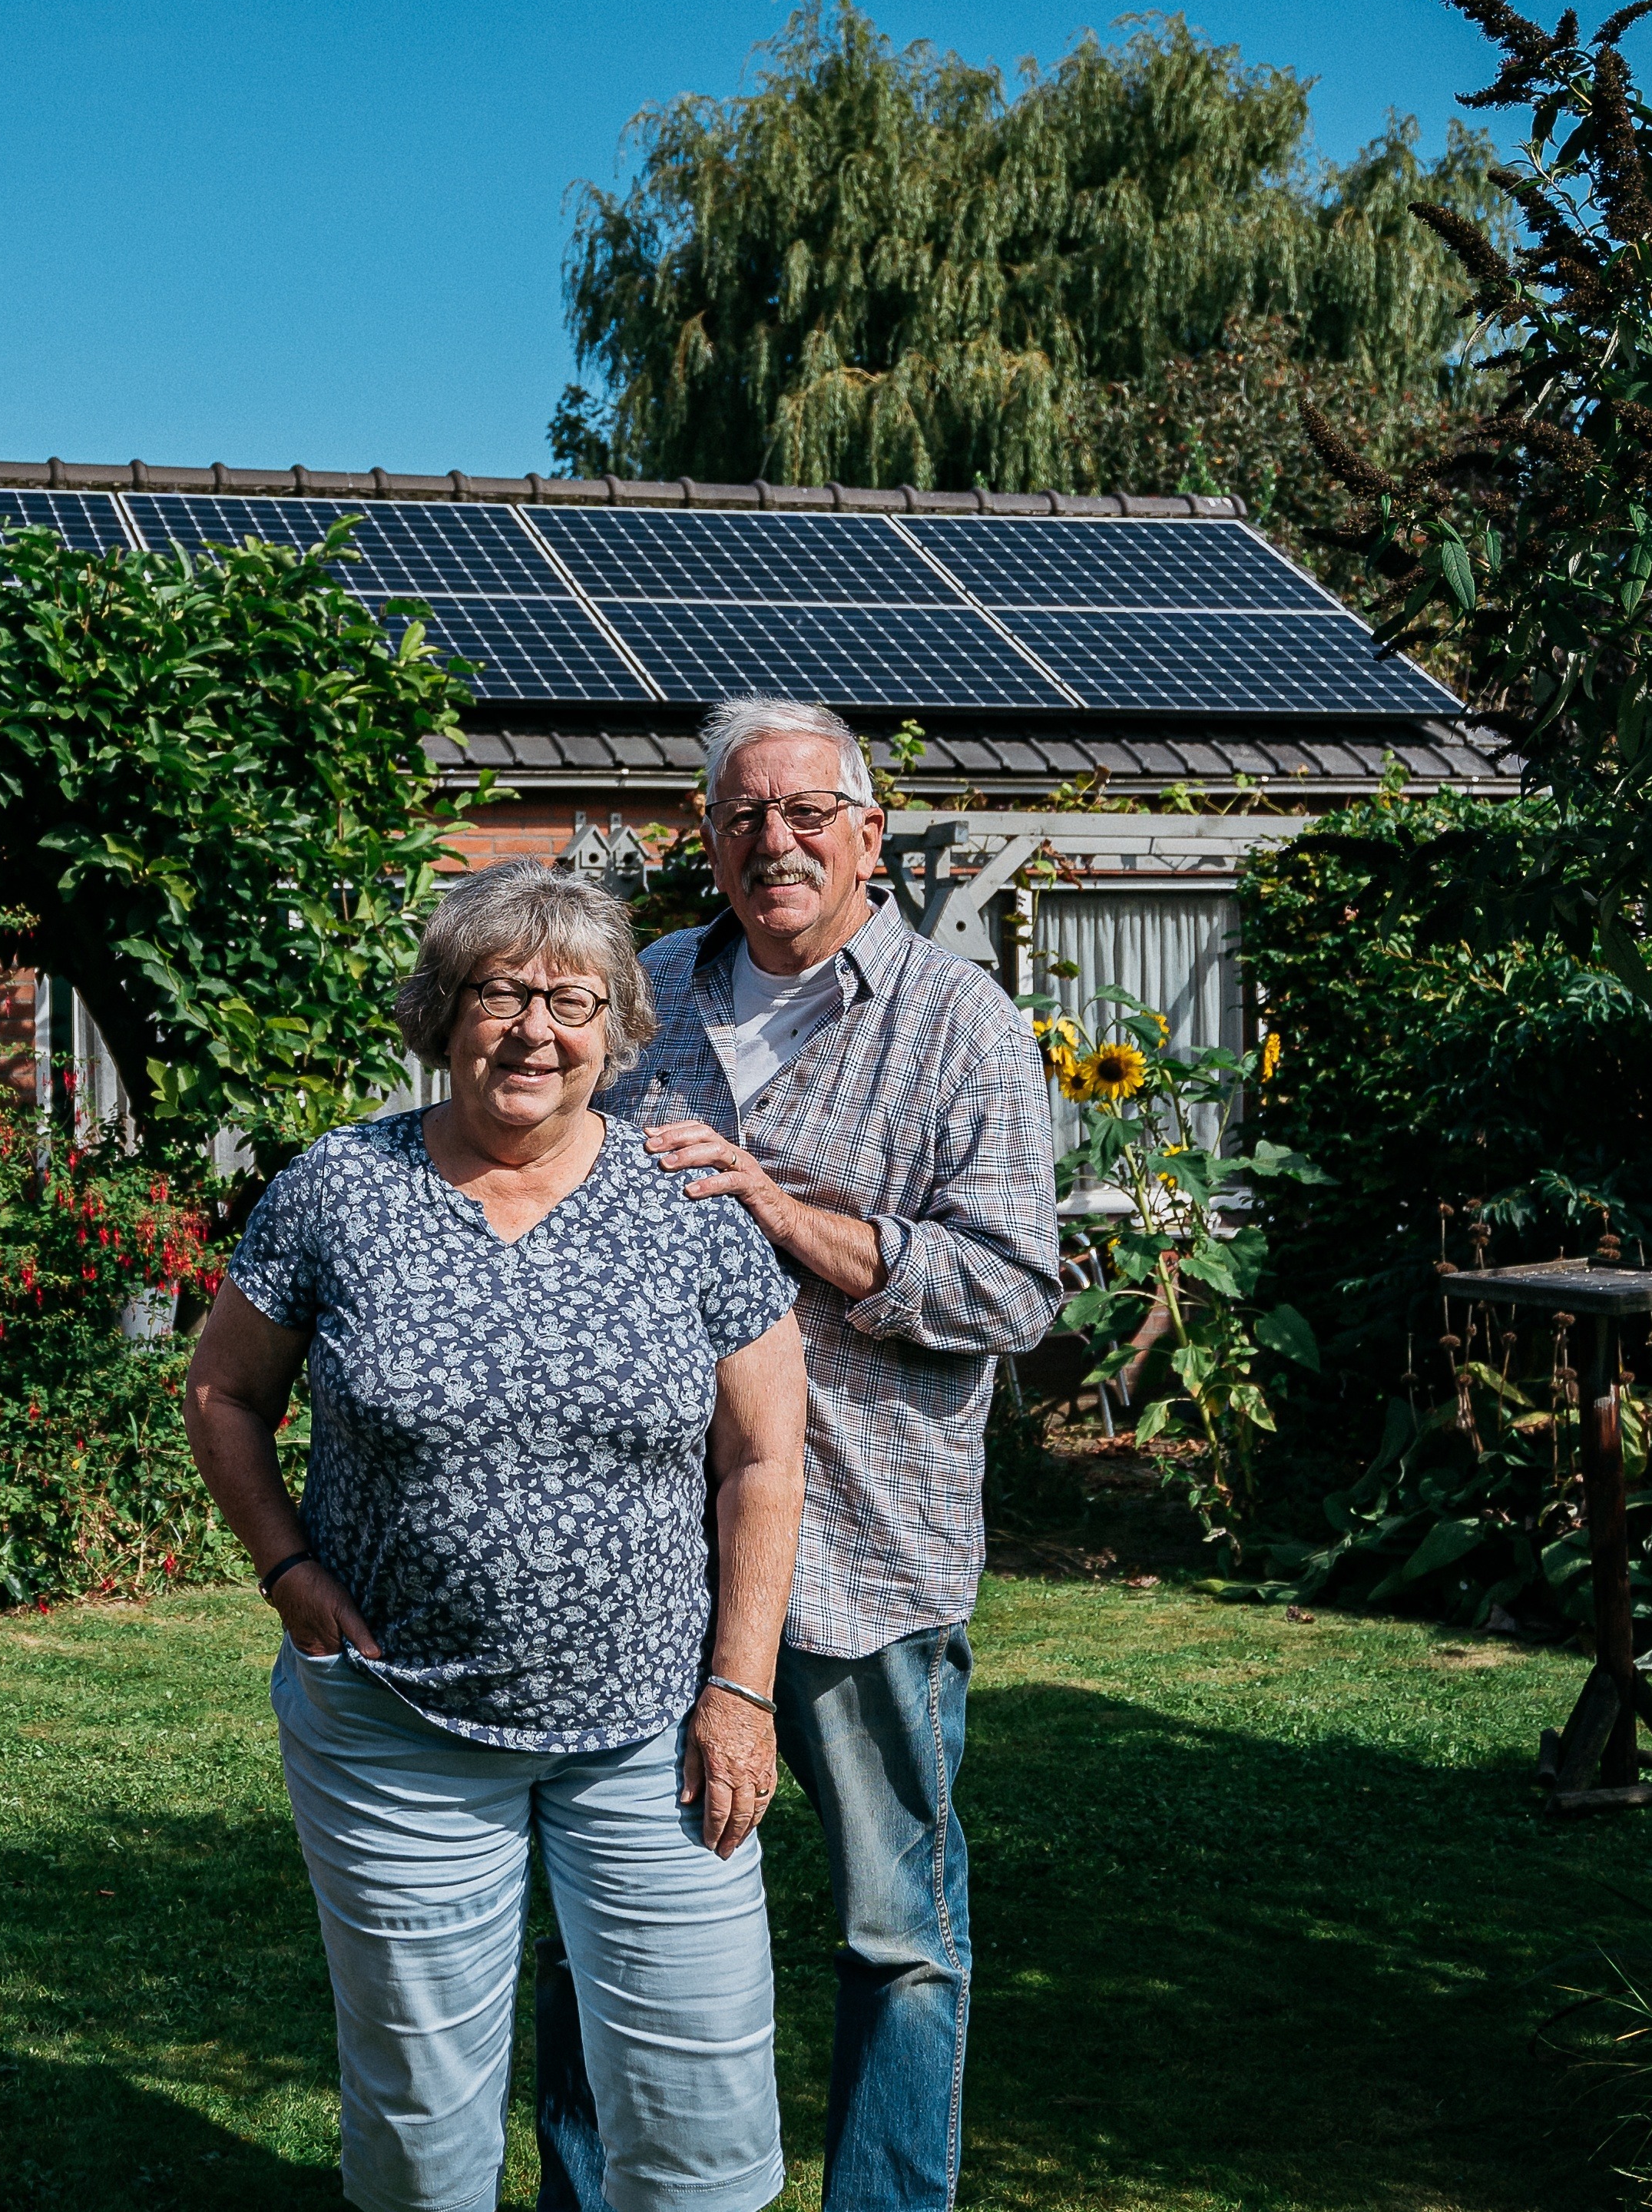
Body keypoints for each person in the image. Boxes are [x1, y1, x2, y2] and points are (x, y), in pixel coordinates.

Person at [184, 860, 810, 2212]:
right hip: (396, 1727)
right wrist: (288, 1571)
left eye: (572, 999)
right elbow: (223, 1389)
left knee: (700, 2113)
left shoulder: (685, 1202)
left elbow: (764, 1455)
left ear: (618, 1027)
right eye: (499, 993)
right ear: (441, 1014)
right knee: (420, 2123)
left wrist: (742, 1691)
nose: (535, 1028)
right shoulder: (338, 1188)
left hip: (656, 1730)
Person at [544, 697, 1064, 2212]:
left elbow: (1014, 1289)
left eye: (805, 812)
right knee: (605, 1919)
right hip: (645, 1546)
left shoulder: (962, 1021)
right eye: (741, 815)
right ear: (706, 838)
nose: (773, 840)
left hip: (862, 1546)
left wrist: (784, 1212)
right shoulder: (638, 998)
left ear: (867, 835)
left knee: (896, 1929)